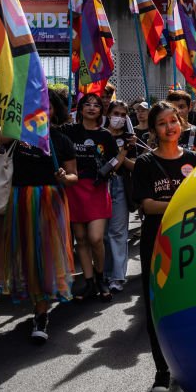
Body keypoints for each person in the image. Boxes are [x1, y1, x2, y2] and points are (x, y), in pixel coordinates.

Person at [0, 91, 77, 342]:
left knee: (45, 257)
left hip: (49, 201)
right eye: (37, 106)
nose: (43, 111)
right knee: (26, 255)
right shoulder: (19, 134)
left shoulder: (61, 140)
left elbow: (74, 176)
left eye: (48, 107)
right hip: (18, 201)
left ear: (55, 111)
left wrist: (64, 177)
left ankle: (41, 313)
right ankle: (37, 305)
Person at [132, 101, 196, 392]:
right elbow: (148, 206)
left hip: (191, 241)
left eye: (173, 120)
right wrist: (182, 203)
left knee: (191, 303)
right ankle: (162, 370)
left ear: (181, 122)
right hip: (157, 242)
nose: (169, 127)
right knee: (157, 306)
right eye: (162, 123)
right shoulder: (145, 163)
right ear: (153, 129)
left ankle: (187, 365)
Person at [63, 93, 124, 301]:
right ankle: (89, 283)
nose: (91, 108)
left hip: (97, 189)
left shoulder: (106, 136)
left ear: (101, 111)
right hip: (73, 188)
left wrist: (124, 152)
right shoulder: (69, 131)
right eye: (87, 104)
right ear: (80, 109)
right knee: (80, 239)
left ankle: (100, 278)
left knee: (96, 238)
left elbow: (115, 162)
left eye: (96, 105)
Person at [103, 100, 138, 294]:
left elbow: (134, 166)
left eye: (123, 115)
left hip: (120, 185)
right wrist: (119, 156)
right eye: (116, 113)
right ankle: (105, 272)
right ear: (108, 114)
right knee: (102, 235)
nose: (119, 118)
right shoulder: (100, 135)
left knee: (117, 233)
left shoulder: (129, 139)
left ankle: (117, 276)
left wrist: (123, 153)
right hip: (100, 187)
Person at [166, 90, 196, 154]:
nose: (177, 111)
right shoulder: (163, 133)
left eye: (181, 107)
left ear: (189, 107)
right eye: (173, 108)